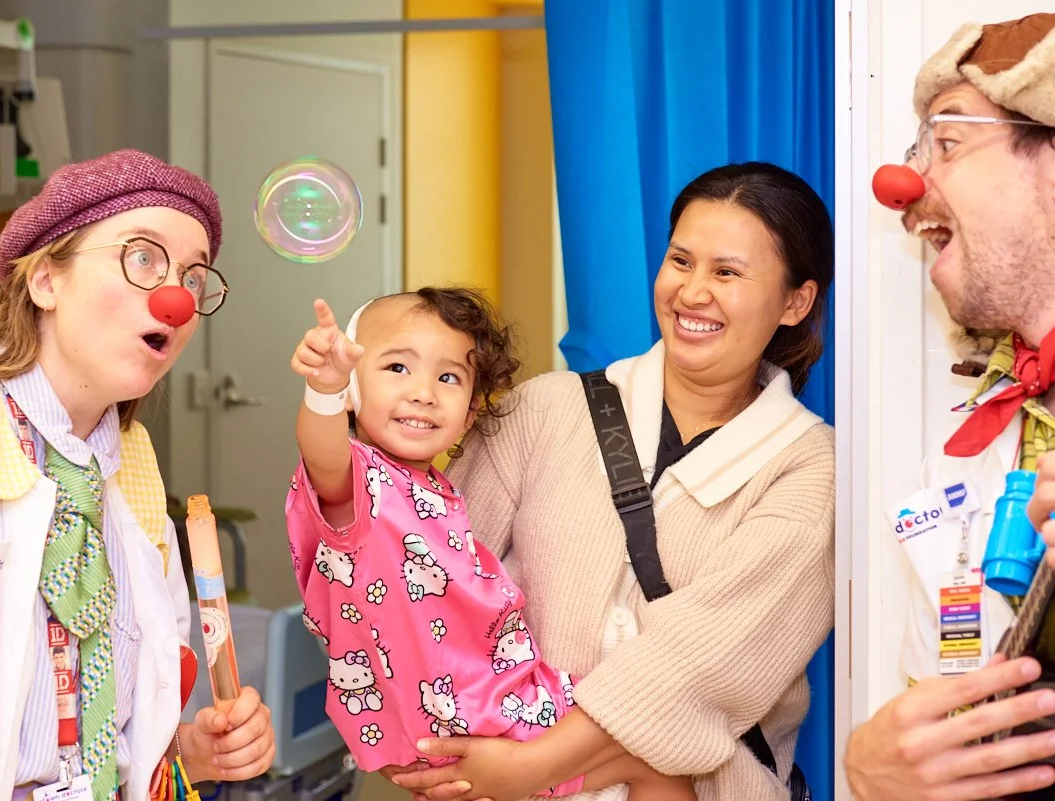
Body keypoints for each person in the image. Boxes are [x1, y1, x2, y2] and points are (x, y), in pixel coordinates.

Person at [382, 162, 836, 801]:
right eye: (681, 260)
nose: (692, 292)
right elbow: (420, 575)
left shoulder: (810, 469)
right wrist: (425, 740)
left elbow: (692, 666)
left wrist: (525, 771)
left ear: (796, 301)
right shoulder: (545, 409)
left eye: (727, 272)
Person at [0, 149, 276, 801]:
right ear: (45, 279)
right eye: (143, 257)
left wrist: (188, 749)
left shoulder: (135, 495)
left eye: (195, 277)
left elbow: (95, 731)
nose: (176, 299)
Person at [285, 287, 694, 801]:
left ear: (472, 410)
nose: (424, 392)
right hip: (474, 717)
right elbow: (323, 455)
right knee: (659, 764)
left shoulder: (433, 486)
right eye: (396, 368)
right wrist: (323, 389)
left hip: (482, 702)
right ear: (352, 390)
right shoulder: (361, 484)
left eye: (448, 377)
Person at [844, 12, 1055, 801]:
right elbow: (950, 684)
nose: (903, 188)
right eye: (914, 151)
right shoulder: (965, 453)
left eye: (948, 143)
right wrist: (878, 765)